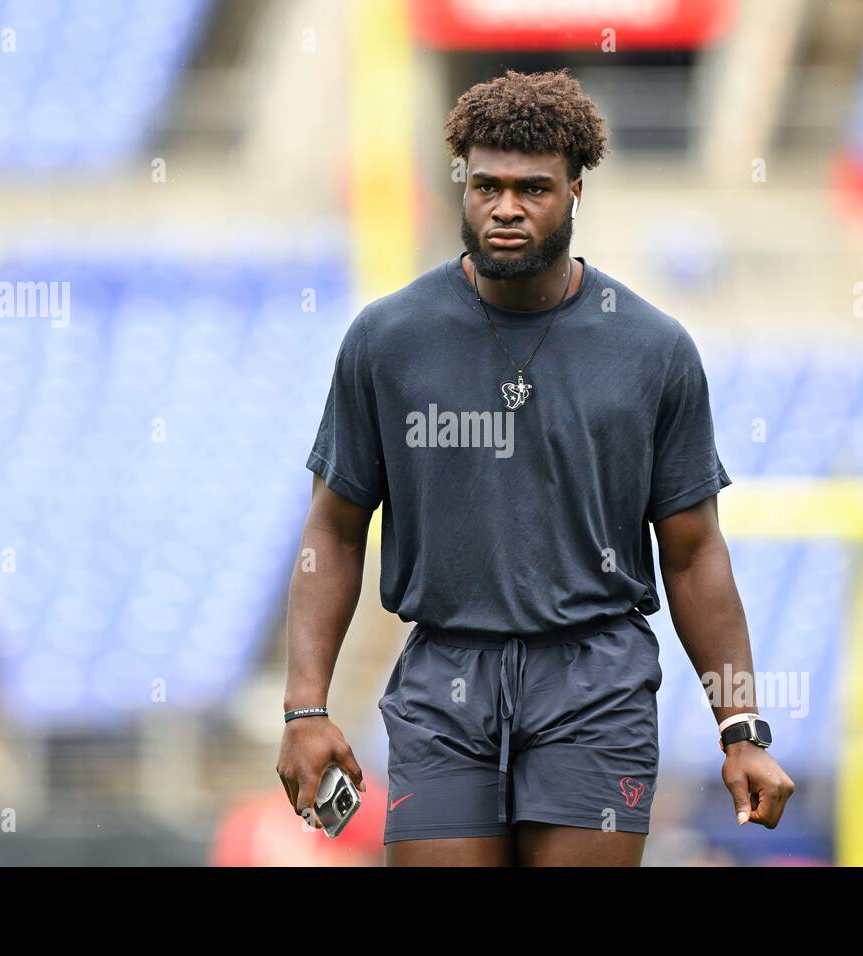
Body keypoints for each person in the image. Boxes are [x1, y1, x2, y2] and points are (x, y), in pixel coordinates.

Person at [277, 68, 794, 866]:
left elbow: (693, 551)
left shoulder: (652, 350)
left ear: (576, 191)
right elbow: (334, 530)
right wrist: (303, 708)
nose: (506, 207)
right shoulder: (389, 339)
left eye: (533, 188)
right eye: (486, 185)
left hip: (597, 683)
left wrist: (742, 727)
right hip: (444, 680)